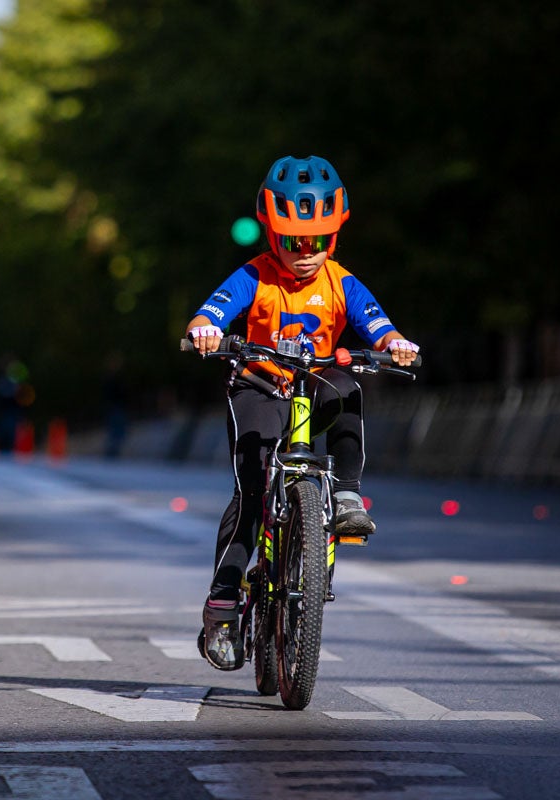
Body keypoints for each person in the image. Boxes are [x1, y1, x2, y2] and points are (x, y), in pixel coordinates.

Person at [184, 154, 420, 671]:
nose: (306, 254)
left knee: (349, 387)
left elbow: (378, 325)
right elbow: (216, 310)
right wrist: (205, 328)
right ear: (271, 233)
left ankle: (348, 495)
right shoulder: (254, 276)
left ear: (336, 233)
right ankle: (223, 603)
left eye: (319, 241)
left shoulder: (342, 283)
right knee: (251, 491)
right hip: (259, 385)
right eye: (294, 242)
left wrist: (395, 343)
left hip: (313, 385)